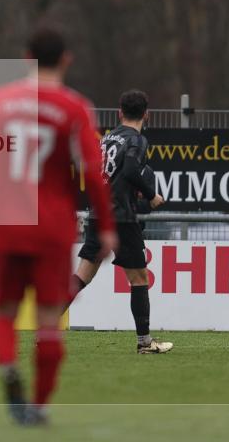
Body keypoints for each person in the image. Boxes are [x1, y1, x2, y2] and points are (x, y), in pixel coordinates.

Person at [0, 28, 118, 426]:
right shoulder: (75, 107)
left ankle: (8, 368)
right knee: (49, 320)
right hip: (51, 227)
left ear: (26, 56)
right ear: (66, 59)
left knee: (4, 313)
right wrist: (106, 227)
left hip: (7, 222)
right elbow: (94, 175)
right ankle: (40, 404)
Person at [68, 89, 172, 355]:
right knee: (139, 279)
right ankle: (145, 343)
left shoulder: (105, 139)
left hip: (97, 214)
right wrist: (151, 195)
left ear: (119, 112)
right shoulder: (137, 140)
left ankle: (44, 332)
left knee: (81, 276)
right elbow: (129, 170)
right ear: (147, 114)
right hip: (121, 219)